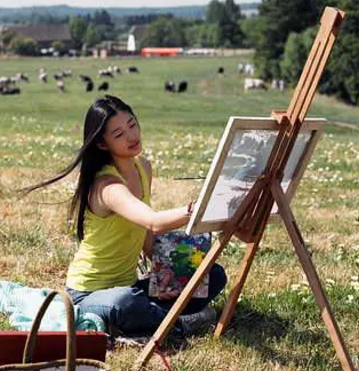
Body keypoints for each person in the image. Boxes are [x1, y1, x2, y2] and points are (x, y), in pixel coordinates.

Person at [24, 95, 226, 337]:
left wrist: (167, 272)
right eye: (119, 134)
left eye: (132, 124)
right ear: (102, 144)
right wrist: (196, 208)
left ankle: (157, 317)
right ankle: (179, 324)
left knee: (212, 275)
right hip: (90, 293)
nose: (131, 136)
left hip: (130, 284)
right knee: (125, 302)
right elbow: (153, 221)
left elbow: (145, 233)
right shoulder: (106, 186)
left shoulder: (143, 168)